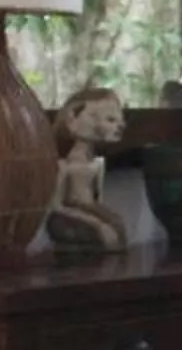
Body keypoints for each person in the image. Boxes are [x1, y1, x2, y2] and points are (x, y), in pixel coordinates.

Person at [47, 86, 130, 251]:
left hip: (90, 211)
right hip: (68, 216)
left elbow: (97, 201)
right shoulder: (64, 166)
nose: (118, 126)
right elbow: (56, 206)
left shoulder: (98, 163)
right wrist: (97, 224)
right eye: (110, 120)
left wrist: (104, 220)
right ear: (72, 120)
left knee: (117, 231)